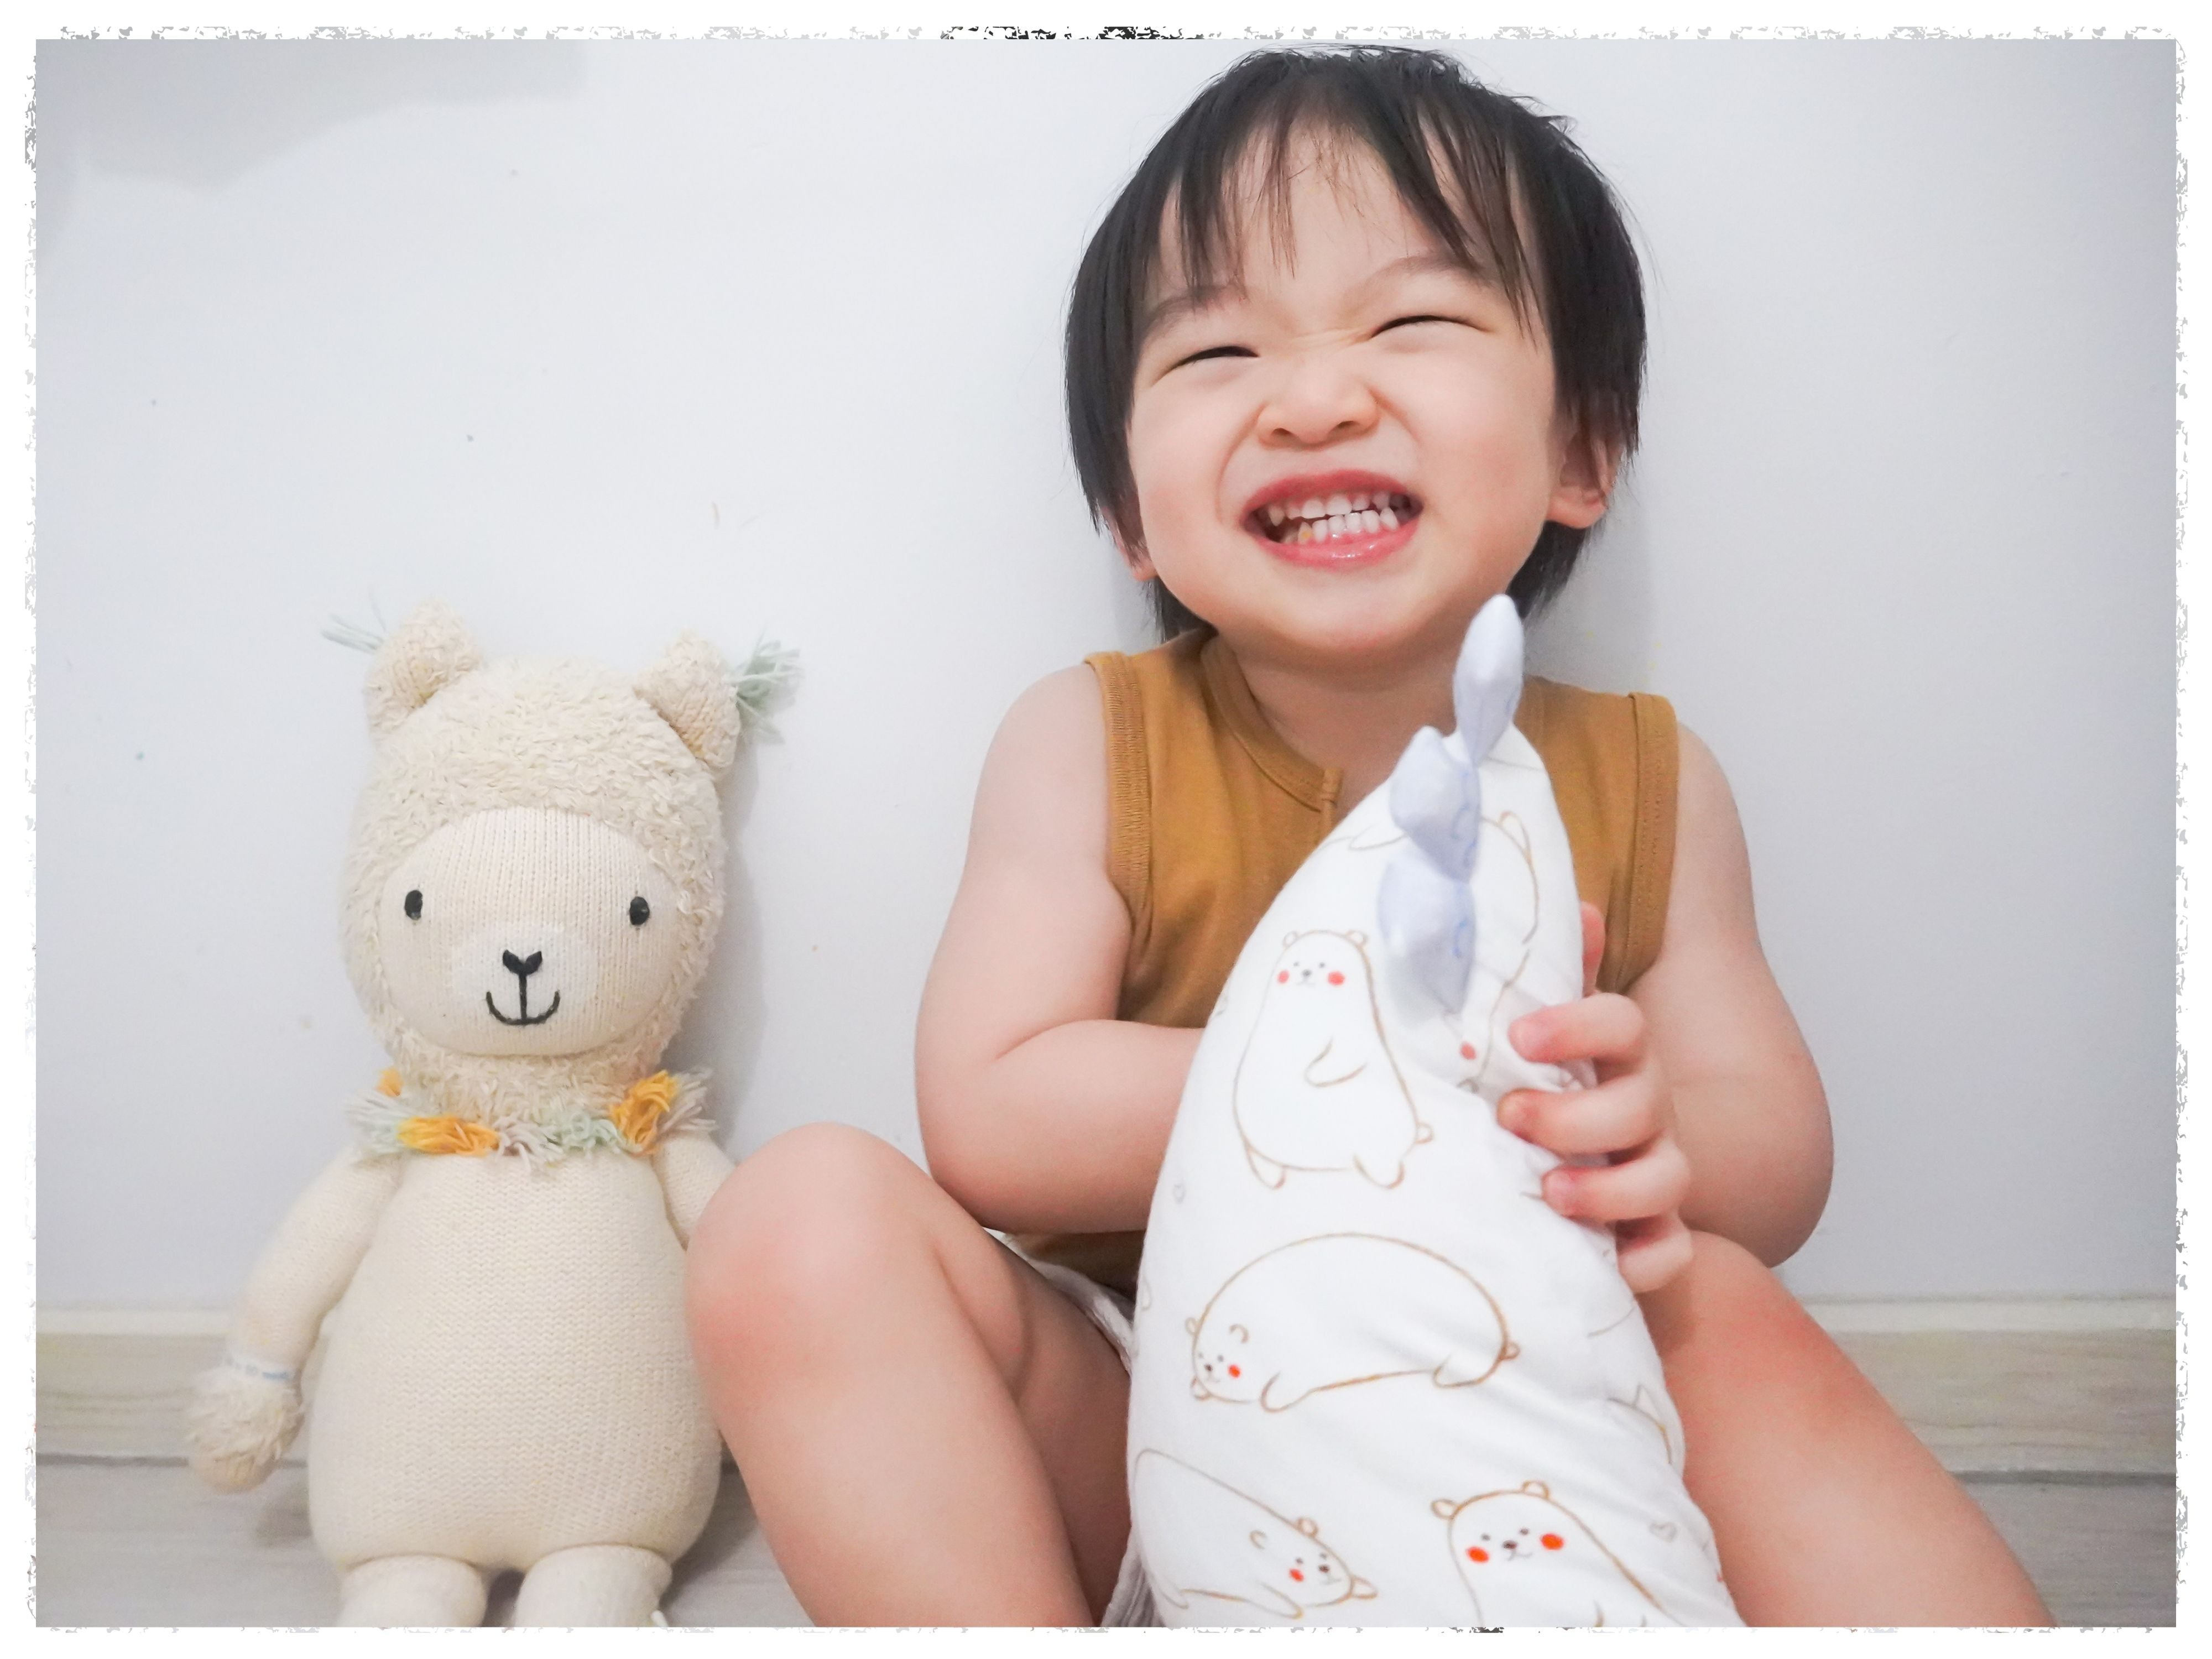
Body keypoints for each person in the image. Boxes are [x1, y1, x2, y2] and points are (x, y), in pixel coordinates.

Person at [685, 45, 2051, 1627]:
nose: (1316, 394)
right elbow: (992, 1112)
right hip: (1158, 1427)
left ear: (1580, 451)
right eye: (1215, 351)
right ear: (1131, 509)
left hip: (1534, 1408)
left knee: (1721, 1300)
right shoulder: (1090, 743)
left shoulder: (1641, 778)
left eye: (1414, 321)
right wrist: (1391, 1070)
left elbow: (1773, 1153)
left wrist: (1637, 1124)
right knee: (799, 1220)